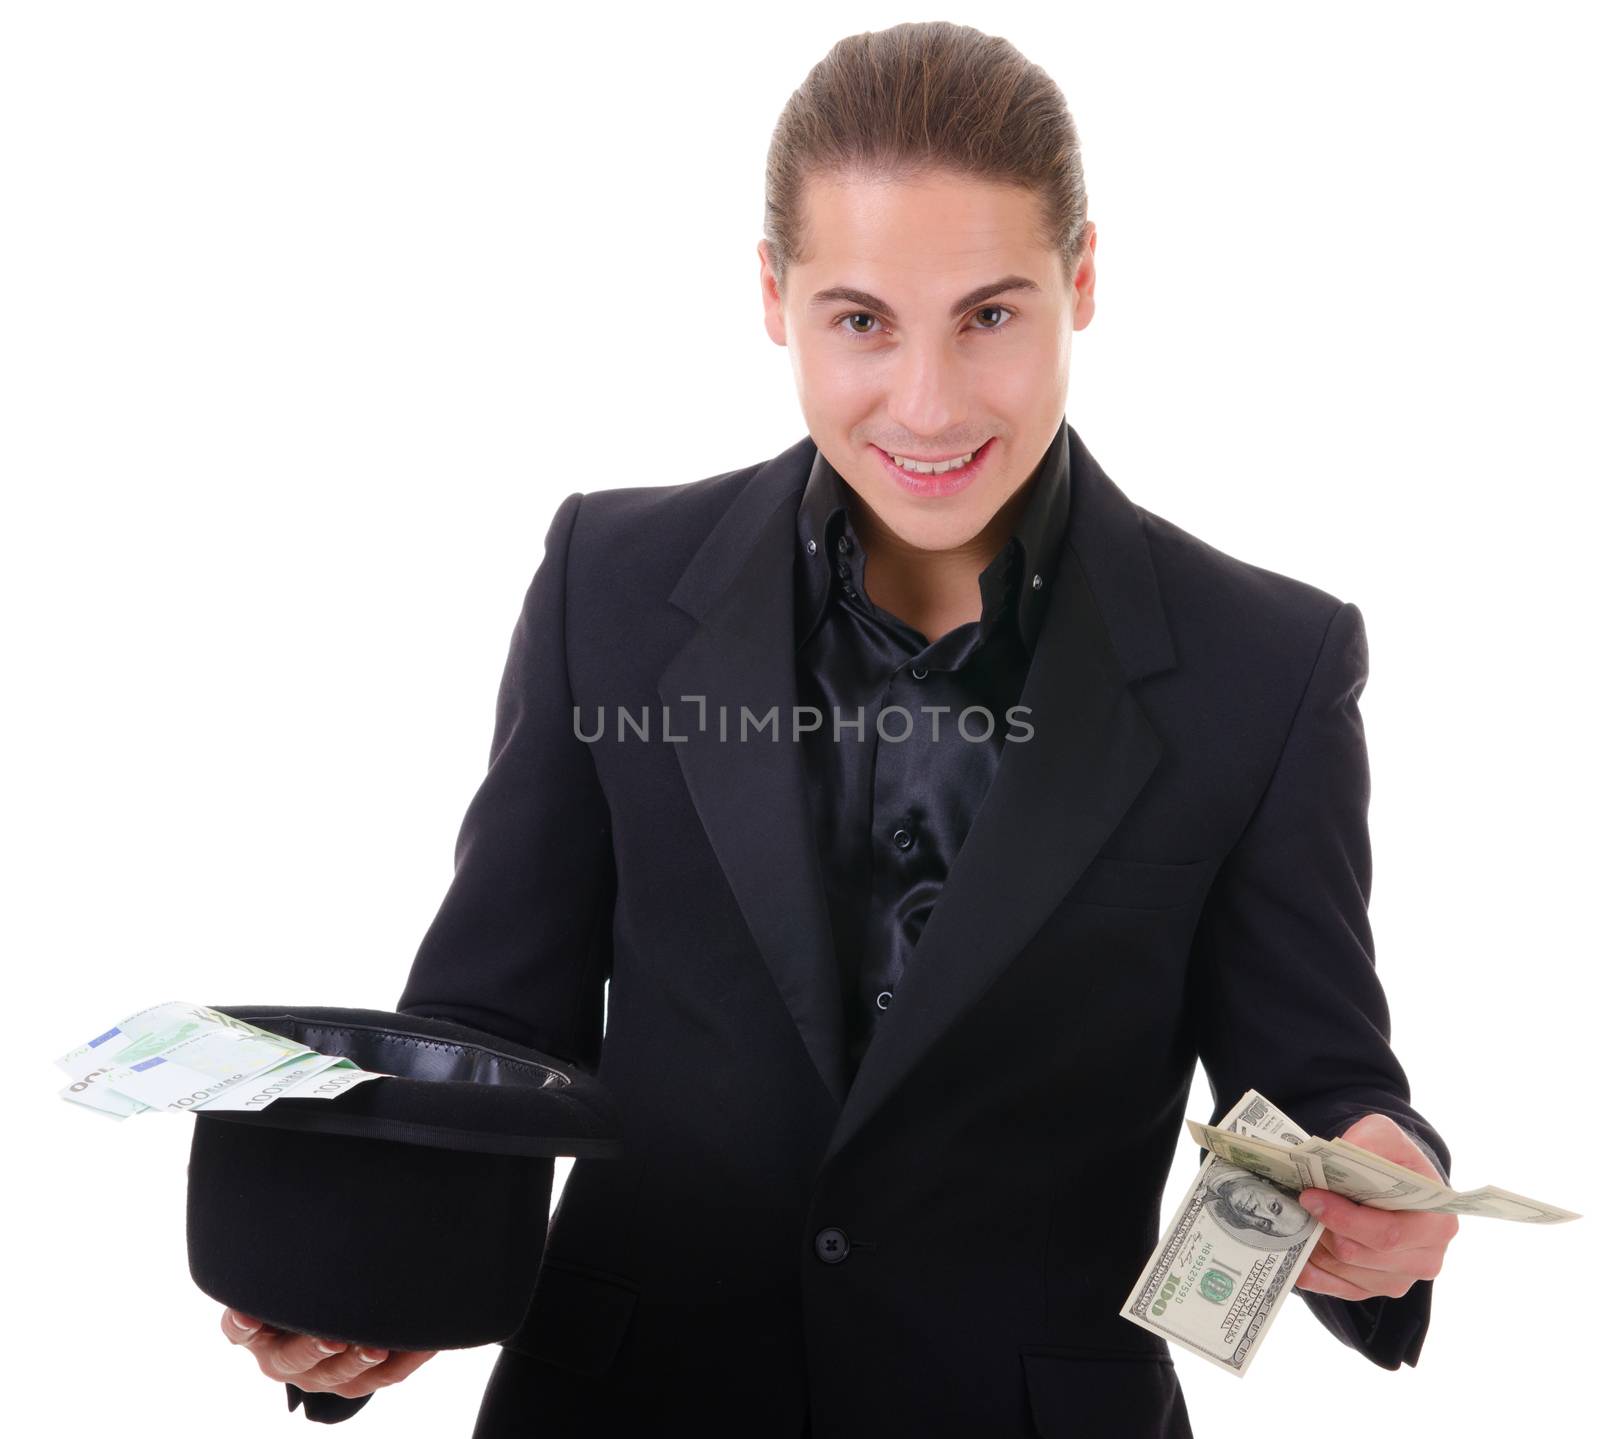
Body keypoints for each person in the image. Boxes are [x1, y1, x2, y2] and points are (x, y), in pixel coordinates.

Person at [220, 21, 1458, 1436]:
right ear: (774, 296)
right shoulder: (608, 585)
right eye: (861, 319)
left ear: (1084, 281)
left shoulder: (1266, 663)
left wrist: (1382, 1172)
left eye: (990, 315)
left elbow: (1316, 1085)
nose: (927, 405)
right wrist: (378, 1284)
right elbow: (494, 1030)